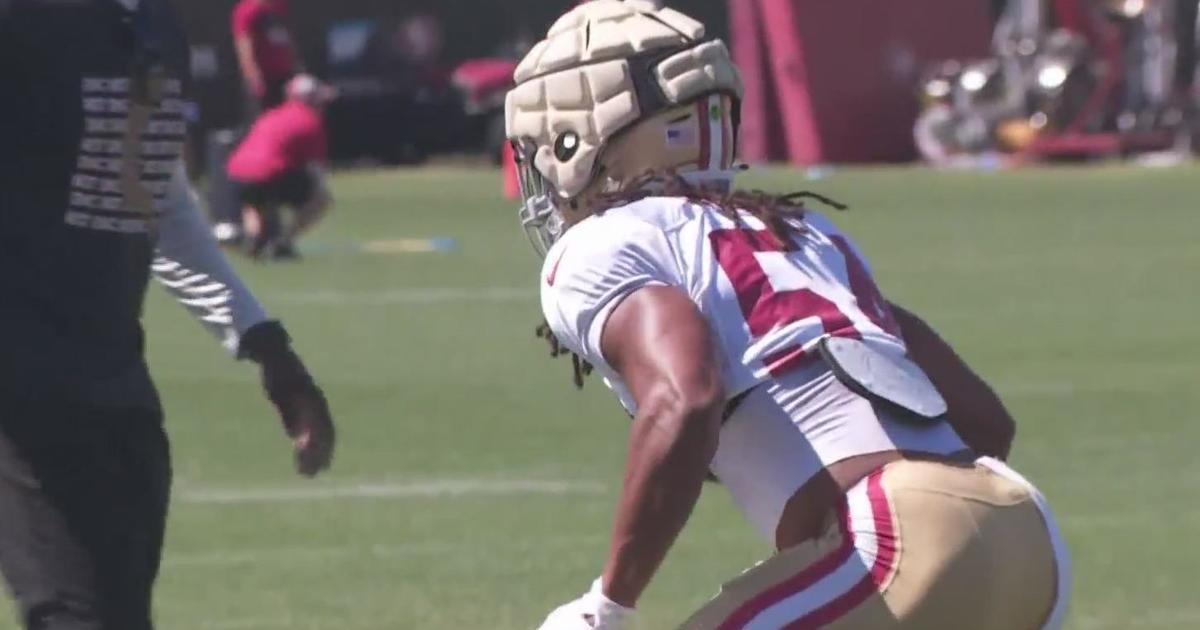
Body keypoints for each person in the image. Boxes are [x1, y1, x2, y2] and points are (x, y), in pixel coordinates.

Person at [506, 2, 1071, 629]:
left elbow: (686, 397)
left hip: (895, 539)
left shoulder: (604, 243)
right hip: (1025, 533)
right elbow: (984, 419)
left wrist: (608, 603)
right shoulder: (804, 233)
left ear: (582, 141)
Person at [0, 2, 335, 629]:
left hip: (114, 391)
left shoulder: (151, 26)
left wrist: (264, 344)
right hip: (22, 400)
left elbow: (156, 198)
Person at [227, 74, 334, 259]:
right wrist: (316, 191)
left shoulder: (272, 114)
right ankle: (283, 242)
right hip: (269, 172)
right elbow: (316, 168)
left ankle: (254, 237)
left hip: (236, 173)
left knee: (252, 199)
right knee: (320, 200)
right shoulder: (310, 120)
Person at [232, 0, 300, 115]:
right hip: (264, 80)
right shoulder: (246, 10)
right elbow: (244, 47)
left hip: (286, 76)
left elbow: (288, 39)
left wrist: (295, 67)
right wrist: (254, 78)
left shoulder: (280, 6)